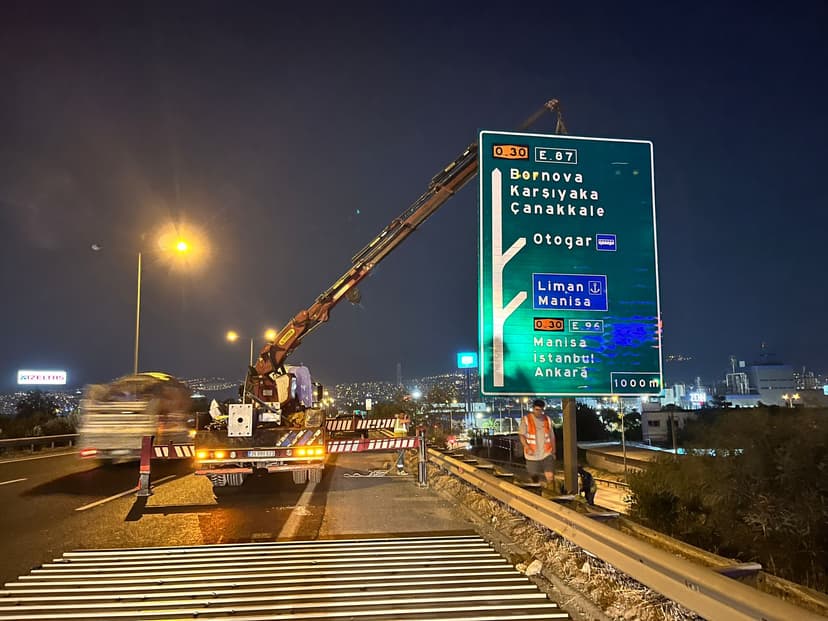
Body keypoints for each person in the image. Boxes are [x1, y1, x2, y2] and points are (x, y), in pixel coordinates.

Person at [519, 399, 556, 489]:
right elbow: (521, 435)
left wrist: (554, 452)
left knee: (550, 476)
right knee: (534, 478)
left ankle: (551, 495)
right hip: (532, 455)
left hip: (546, 454)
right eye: (537, 409)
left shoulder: (547, 420)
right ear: (533, 409)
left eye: (541, 410)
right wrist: (527, 447)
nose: (539, 412)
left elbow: (552, 436)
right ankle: (537, 494)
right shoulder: (526, 420)